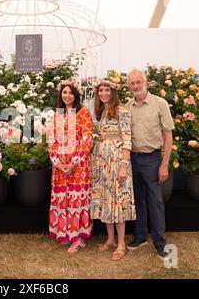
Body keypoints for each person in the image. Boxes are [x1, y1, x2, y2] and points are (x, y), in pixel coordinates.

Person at [125, 69, 174, 258]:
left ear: (145, 82)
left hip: (153, 159)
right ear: (128, 86)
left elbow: (168, 136)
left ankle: (160, 241)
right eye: (132, 83)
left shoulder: (159, 104)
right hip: (132, 159)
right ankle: (140, 236)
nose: (135, 86)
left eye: (138, 82)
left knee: (155, 201)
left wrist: (164, 164)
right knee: (137, 200)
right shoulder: (127, 106)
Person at [90, 78, 136, 261]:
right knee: (106, 200)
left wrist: (123, 166)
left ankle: (122, 244)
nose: (103, 93)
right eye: (101, 90)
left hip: (117, 162)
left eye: (107, 90)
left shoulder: (122, 111)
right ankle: (110, 239)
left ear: (113, 92)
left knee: (118, 200)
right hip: (102, 163)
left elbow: (127, 139)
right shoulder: (101, 111)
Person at [48, 80, 93, 253]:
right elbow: (52, 139)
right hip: (60, 166)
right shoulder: (58, 114)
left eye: (70, 93)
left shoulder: (83, 113)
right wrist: (57, 163)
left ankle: (79, 237)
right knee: (63, 199)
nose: (67, 95)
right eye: (64, 92)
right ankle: (66, 233)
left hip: (78, 166)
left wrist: (74, 162)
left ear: (76, 95)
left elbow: (87, 139)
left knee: (76, 199)